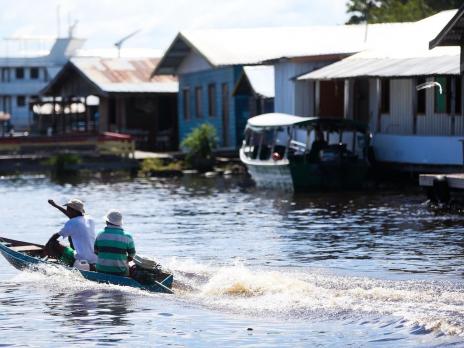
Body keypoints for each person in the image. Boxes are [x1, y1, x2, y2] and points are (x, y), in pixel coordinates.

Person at [44, 199, 97, 268]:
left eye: (68, 209)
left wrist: (46, 247)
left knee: (53, 243)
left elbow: (55, 236)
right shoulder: (90, 218)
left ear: (72, 210)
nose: (67, 211)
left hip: (81, 260)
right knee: (71, 237)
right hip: (95, 259)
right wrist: (56, 205)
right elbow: (72, 215)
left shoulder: (71, 223)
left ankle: (61, 264)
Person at [94, 210, 136, 277]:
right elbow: (132, 255)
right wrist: (124, 260)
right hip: (120, 271)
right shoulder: (127, 236)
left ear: (107, 221)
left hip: (101, 270)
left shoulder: (100, 234)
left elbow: (96, 251)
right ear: (120, 223)